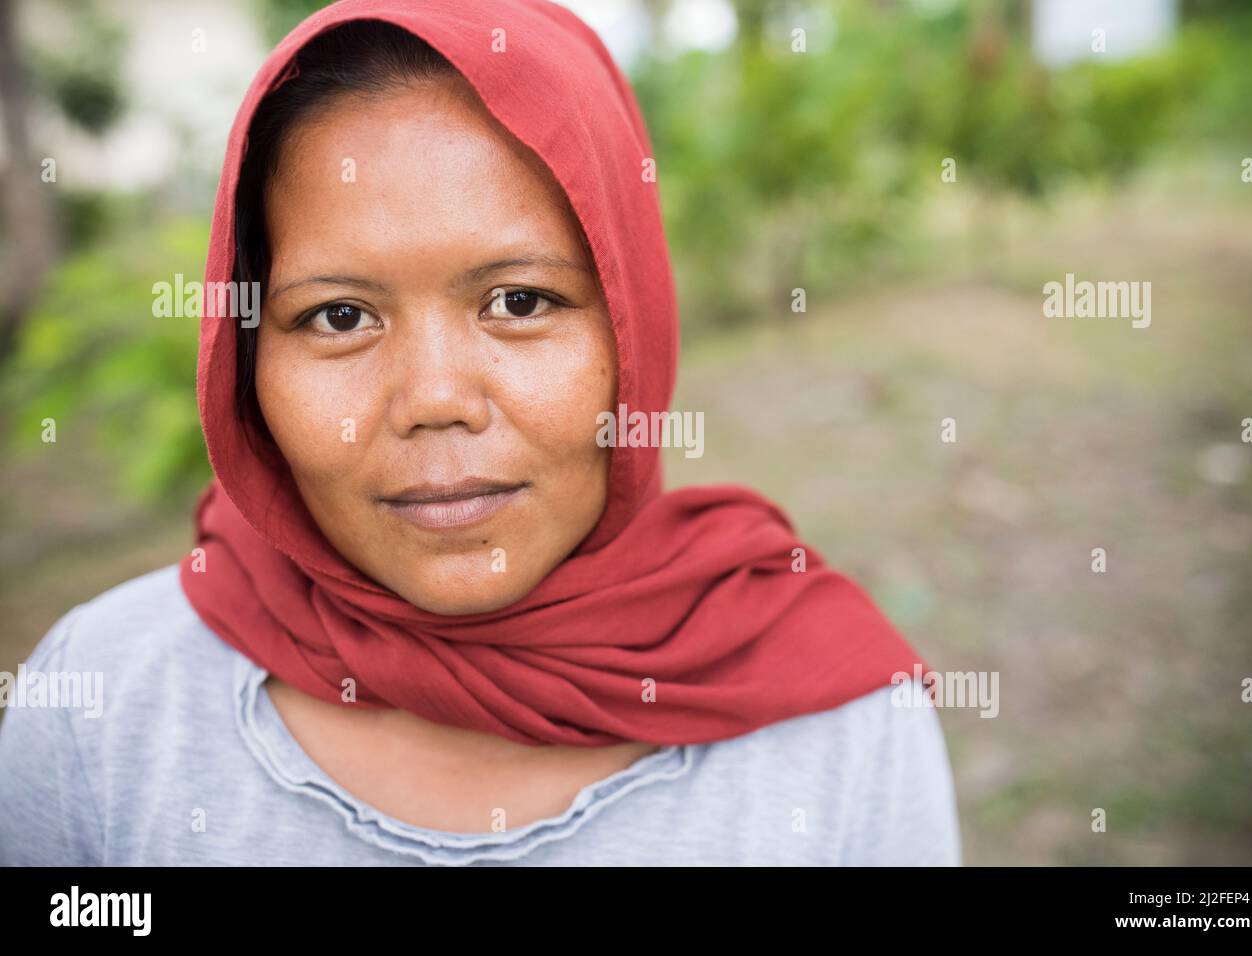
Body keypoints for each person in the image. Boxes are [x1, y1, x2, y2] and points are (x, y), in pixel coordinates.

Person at [0, 0, 960, 866]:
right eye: (338, 317)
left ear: (634, 327)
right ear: (246, 363)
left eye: (519, 300)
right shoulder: (105, 708)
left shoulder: (833, 722)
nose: (433, 398)